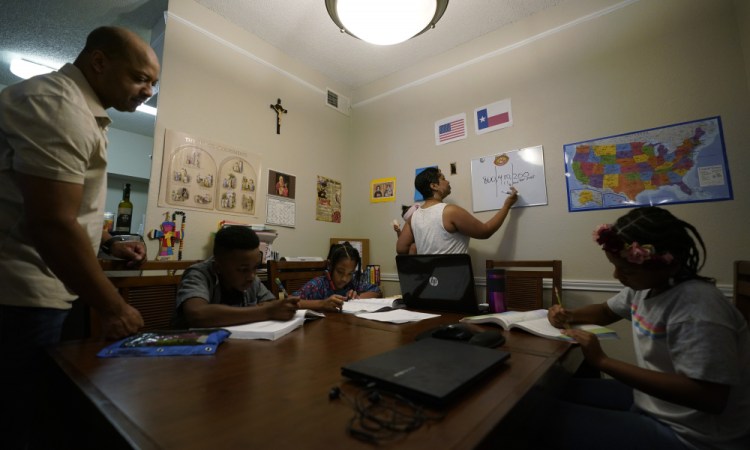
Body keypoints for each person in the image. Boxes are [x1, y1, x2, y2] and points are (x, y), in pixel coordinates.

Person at [0, 26, 159, 448]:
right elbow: (51, 222)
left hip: (46, 290)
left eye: (154, 84)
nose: (148, 91)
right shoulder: (58, 105)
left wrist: (108, 243)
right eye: (141, 77)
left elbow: (53, 206)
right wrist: (114, 306)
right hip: (20, 297)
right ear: (100, 61)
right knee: (22, 421)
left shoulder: (84, 114)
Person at [539, 207, 750, 450]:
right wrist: (569, 314)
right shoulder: (644, 288)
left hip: (695, 437)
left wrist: (602, 362)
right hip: (657, 405)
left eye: (627, 270)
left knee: (535, 417)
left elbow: (709, 397)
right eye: (615, 266)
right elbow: (607, 312)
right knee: (548, 390)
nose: (617, 275)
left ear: (668, 265)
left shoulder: (697, 308)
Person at [173, 226, 299, 328]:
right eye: (243, 269)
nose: (252, 276)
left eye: (255, 267)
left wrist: (281, 307)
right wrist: (267, 312)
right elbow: (198, 314)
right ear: (218, 267)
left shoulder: (250, 277)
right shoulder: (198, 274)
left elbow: (270, 303)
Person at [396, 167, 518, 254]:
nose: (448, 181)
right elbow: (485, 231)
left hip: (428, 283)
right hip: (455, 284)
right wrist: (507, 205)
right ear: (434, 186)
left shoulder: (413, 217)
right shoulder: (450, 211)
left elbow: (401, 249)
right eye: (443, 178)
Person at [294, 242, 383, 311]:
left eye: (350, 273)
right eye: (340, 272)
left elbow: (376, 291)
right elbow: (291, 301)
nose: (345, 279)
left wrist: (357, 298)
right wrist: (322, 304)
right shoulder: (318, 285)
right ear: (330, 265)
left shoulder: (352, 283)